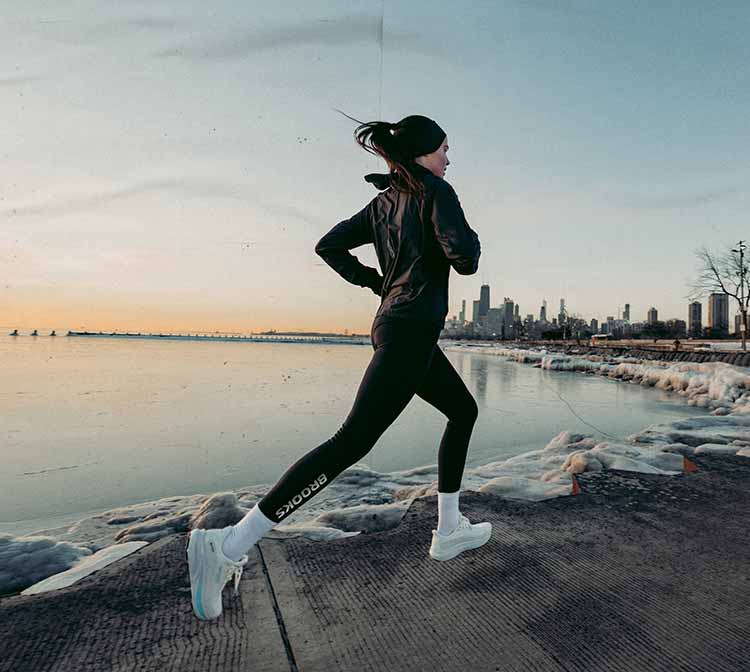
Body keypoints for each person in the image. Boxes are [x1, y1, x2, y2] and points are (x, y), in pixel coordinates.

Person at [187, 114, 491, 620]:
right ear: (422, 154)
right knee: (351, 442)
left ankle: (450, 529)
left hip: (396, 326)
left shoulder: (382, 203)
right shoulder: (437, 190)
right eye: (443, 149)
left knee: (462, 411)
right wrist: (457, 234)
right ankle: (229, 545)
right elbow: (465, 258)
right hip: (411, 330)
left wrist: (376, 281)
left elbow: (328, 245)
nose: (447, 158)